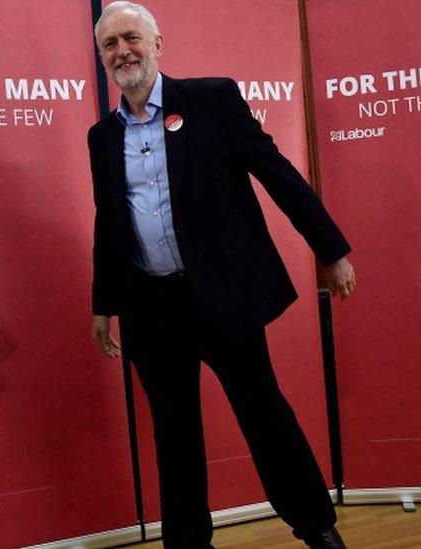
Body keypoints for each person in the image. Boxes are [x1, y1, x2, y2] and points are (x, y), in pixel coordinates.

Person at [88, 2, 353, 548]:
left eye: (132, 38)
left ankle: (317, 530)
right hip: (151, 307)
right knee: (174, 435)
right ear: (102, 57)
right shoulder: (102, 137)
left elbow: (277, 173)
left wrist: (330, 249)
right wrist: (104, 302)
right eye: (110, 45)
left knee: (264, 416)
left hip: (221, 297)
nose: (123, 52)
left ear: (157, 44)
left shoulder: (210, 99)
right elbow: (110, 223)